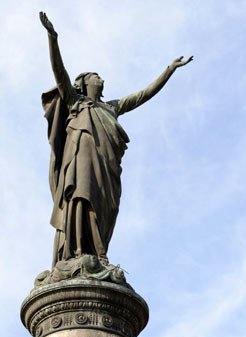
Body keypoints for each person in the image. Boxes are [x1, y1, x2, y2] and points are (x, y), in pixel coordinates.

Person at [39, 12, 193, 267]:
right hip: (80, 163)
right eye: (96, 76)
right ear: (85, 83)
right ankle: (77, 251)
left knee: (104, 208)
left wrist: (169, 71)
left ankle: (97, 252)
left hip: (106, 168)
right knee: (80, 195)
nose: (102, 79)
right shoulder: (76, 102)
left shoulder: (111, 107)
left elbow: (143, 94)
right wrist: (52, 38)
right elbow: (60, 72)